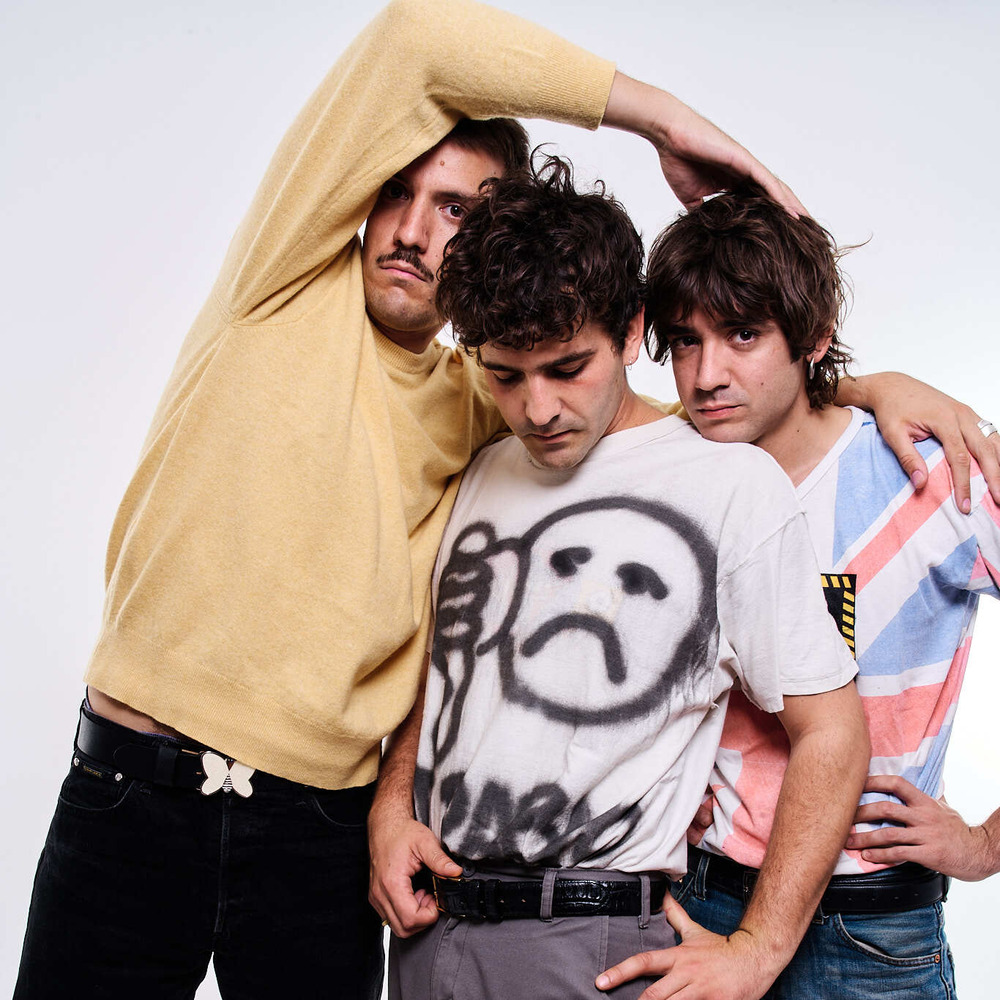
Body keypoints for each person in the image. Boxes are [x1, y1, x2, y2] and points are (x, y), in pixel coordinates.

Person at [13, 1, 996, 997]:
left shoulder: (544, 425)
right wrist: (663, 121)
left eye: (455, 210)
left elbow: (680, 419)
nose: (412, 230)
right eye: (396, 191)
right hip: (160, 798)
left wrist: (855, 387)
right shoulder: (311, 313)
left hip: (351, 841)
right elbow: (413, 39)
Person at [368, 156, 874, 1000]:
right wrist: (392, 807)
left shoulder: (730, 485)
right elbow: (448, 669)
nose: (537, 409)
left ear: (634, 330)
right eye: (505, 375)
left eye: (568, 368)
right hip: (430, 931)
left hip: (591, 940)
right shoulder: (486, 467)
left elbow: (833, 731)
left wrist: (758, 948)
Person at [624, 185, 1000, 998]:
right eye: (685, 341)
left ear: (814, 336)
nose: (707, 376)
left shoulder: (928, 473)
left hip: (870, 932)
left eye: (744, 334)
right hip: (699, 901)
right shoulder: (667, 469)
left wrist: (985, 845)